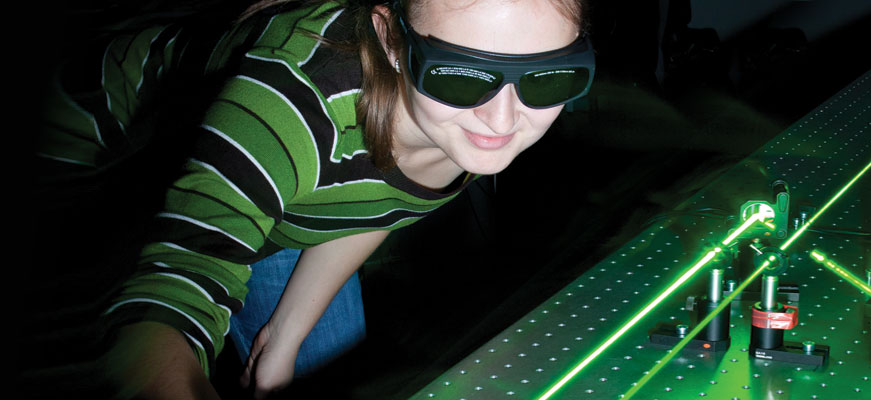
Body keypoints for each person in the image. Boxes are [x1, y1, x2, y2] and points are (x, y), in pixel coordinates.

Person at [38, 0, 592, 398]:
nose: (502, 118)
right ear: (392, 41)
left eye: (547, 77)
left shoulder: (465, 118)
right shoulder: (297, 103)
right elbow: (172, 287)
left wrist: (286, 334)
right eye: (459, 74)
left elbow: (379, 196)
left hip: (289, 181)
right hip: (99, 143)